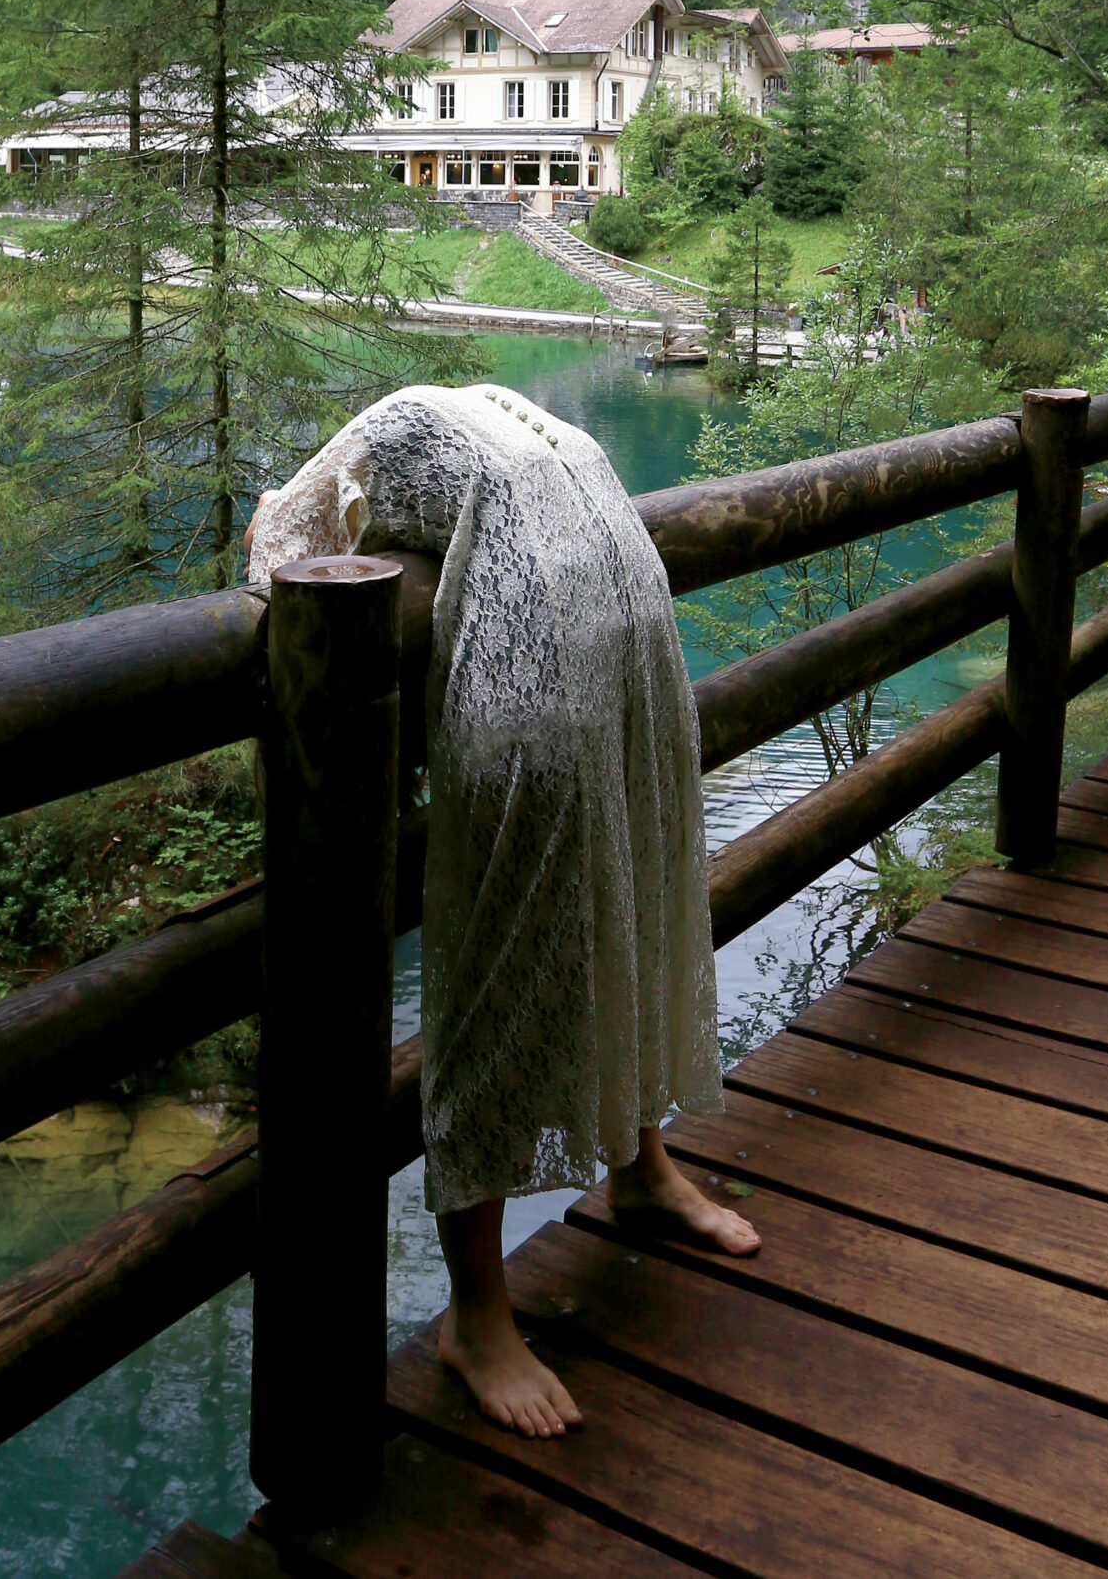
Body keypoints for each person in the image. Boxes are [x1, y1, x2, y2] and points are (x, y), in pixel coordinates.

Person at [244, 381, 759, 1440]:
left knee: (553, 937)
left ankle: (606, 1200)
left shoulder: (370, 450)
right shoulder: (457, 421)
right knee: (569, 934)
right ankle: (504, 1291)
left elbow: (278, 553)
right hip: (617, 630)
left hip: (585, 649)